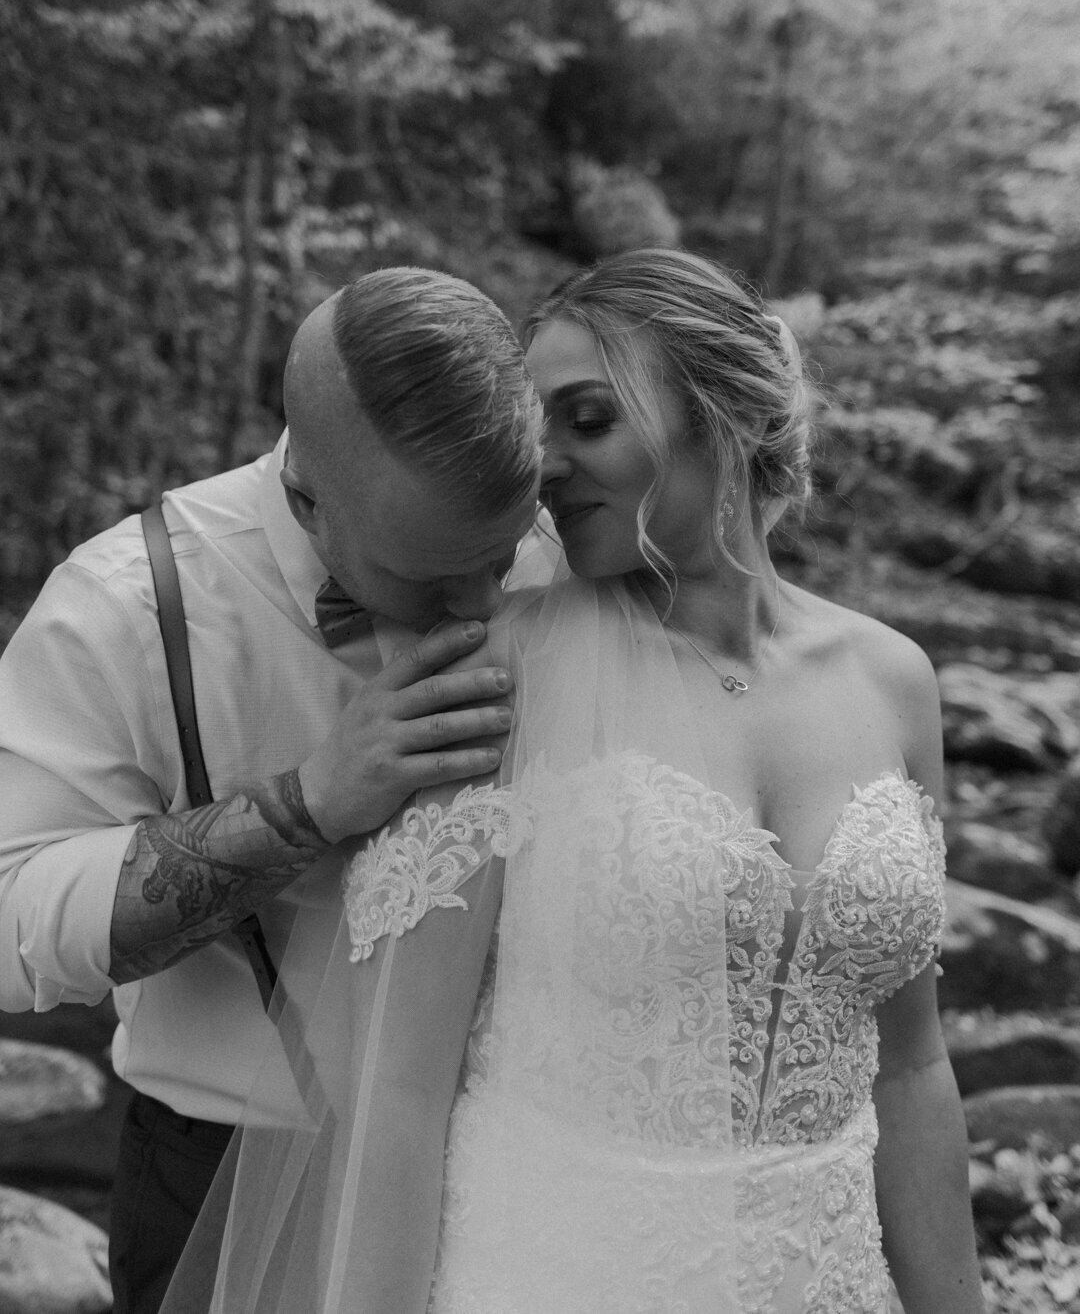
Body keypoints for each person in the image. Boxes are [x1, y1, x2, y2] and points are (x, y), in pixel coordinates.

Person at [165, 249, 983, 1314]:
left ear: (724, 415)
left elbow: (911, 1069)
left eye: (588, 419)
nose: (546, 466)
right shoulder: (496, 671)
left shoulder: (894, 680)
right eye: (536, 431)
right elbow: (398, 1099)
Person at [0, 267, 547, 1314]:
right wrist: (305, 804)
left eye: (504, 555)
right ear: (308, 499)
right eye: (432, 579)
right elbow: (7, 918)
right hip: (223, 1180)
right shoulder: (127, 606)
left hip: (521, 1176)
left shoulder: (558, 551)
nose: (485, 602)